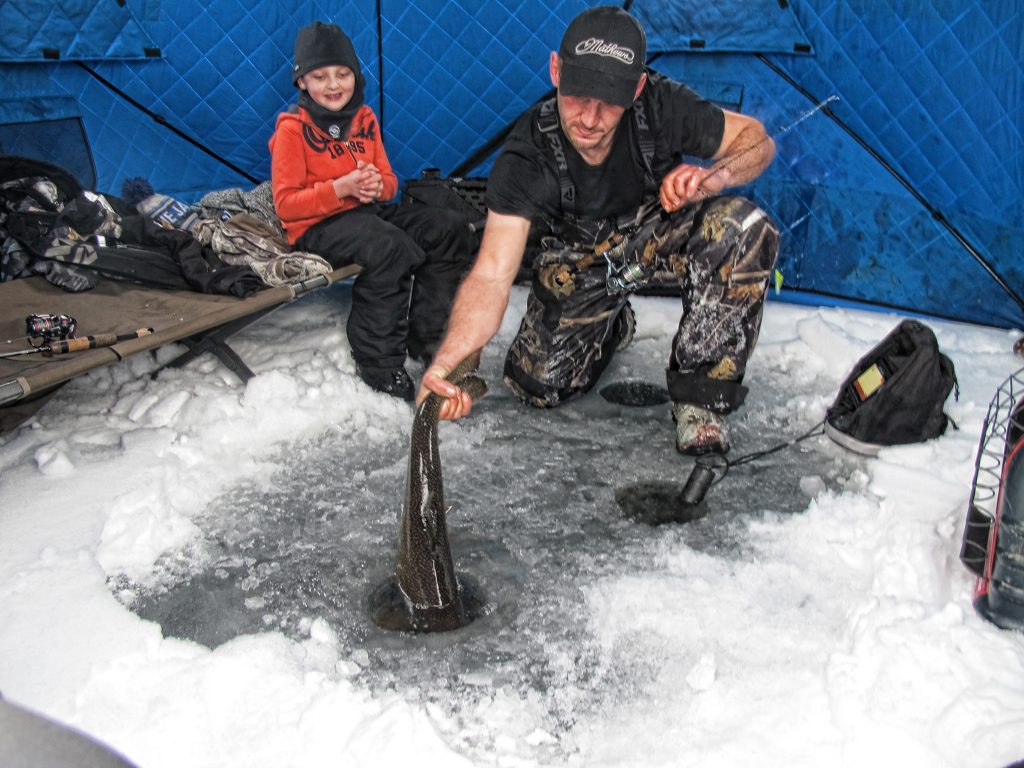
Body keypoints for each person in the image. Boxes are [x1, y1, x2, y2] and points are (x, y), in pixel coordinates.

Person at [417, 6, 780, 455]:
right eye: (578, 96)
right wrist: (447, 365)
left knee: (743, 226)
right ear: (556, 71)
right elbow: (491, 273)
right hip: (584, 261)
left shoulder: (663, 104)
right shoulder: (526, 154)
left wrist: (716, 176)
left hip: (660, 236)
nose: (590, 118)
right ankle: (611, 323)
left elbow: (758, 140)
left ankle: (701, 401)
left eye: (609, 101)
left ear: (637, 88)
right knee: (538, 386)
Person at [270, 21, 473, 401]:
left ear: (356, 76)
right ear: (302, 82)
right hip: (317, 227)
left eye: (342, 74)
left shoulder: (365, 120)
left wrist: (380, 186)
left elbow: (390, 182)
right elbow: (286, 205)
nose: (333, 85)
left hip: (367, 215)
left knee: (449, 228)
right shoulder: (292, 131)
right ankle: (378, 362)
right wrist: (339, 189)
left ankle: (429, 339)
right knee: (390, 247)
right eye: (320, 76)